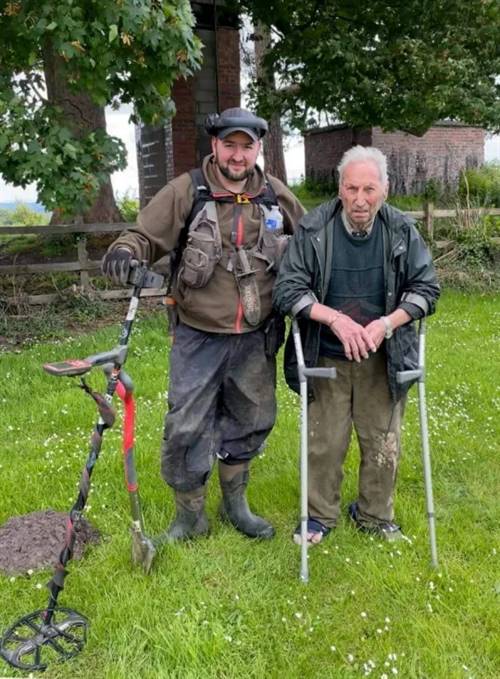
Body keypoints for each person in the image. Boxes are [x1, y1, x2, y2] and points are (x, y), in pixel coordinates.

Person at [102, 107, 305, 542]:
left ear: (258, 149)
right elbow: (143, 235)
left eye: (246, 146)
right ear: (214, 145)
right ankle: (189, 517)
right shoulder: (187, 191)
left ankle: (236, 505)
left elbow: (311, 242)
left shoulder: (274, 195)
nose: (237, 155)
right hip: (197, 333)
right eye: (229, 145)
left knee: (251, 417)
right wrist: (125, 251)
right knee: (187, 423)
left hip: (256, 334)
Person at [273, 145, 440, 544]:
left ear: (385, 188)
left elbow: (426, 289)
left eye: (369, 189)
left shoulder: (401, 230)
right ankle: (319, 518)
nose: (360, 200)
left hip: (384, 356)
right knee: (325, 444)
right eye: (352, 189)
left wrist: (386, 323)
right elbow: (287, 289)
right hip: (326, 356)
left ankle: (375, 516)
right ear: (340, 188)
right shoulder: (314, 229)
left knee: (382, 441)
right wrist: (335, 318)